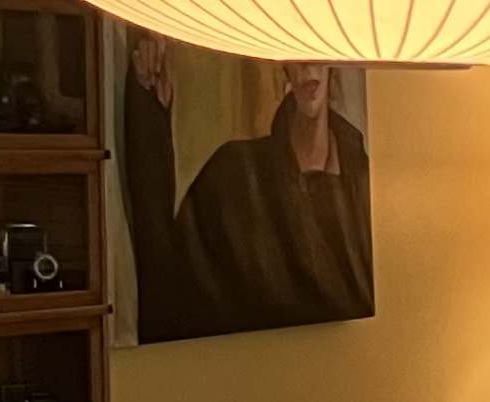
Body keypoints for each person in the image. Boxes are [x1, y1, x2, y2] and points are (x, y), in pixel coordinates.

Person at [120, 35, 372, 339]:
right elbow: (170, 281)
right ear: (283, 66)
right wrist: (148, 116)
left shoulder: (367, 183)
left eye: (318, 47)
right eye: (296, 48)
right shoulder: (235, 175)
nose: (308, 65)